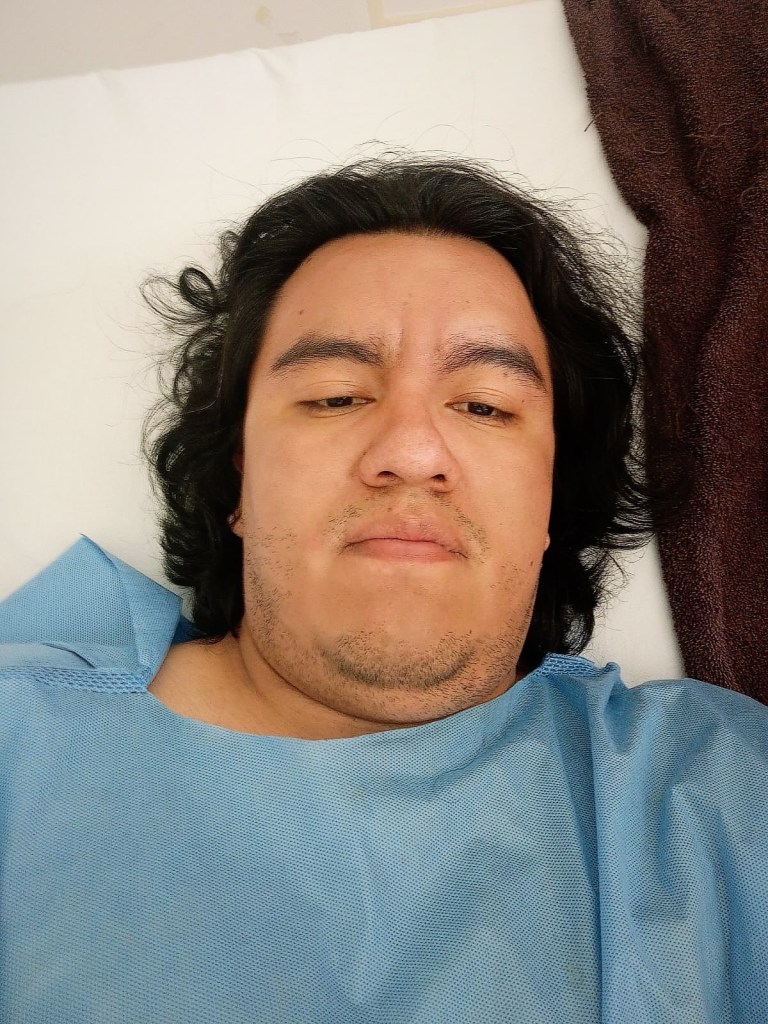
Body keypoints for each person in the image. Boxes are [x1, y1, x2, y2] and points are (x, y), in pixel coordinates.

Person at [1, 157, 766, 1023]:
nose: (411, 450)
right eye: (336, 397)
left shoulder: (719, 797)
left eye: (485, 405)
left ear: (551, 499)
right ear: (238, 480)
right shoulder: (19, 754)